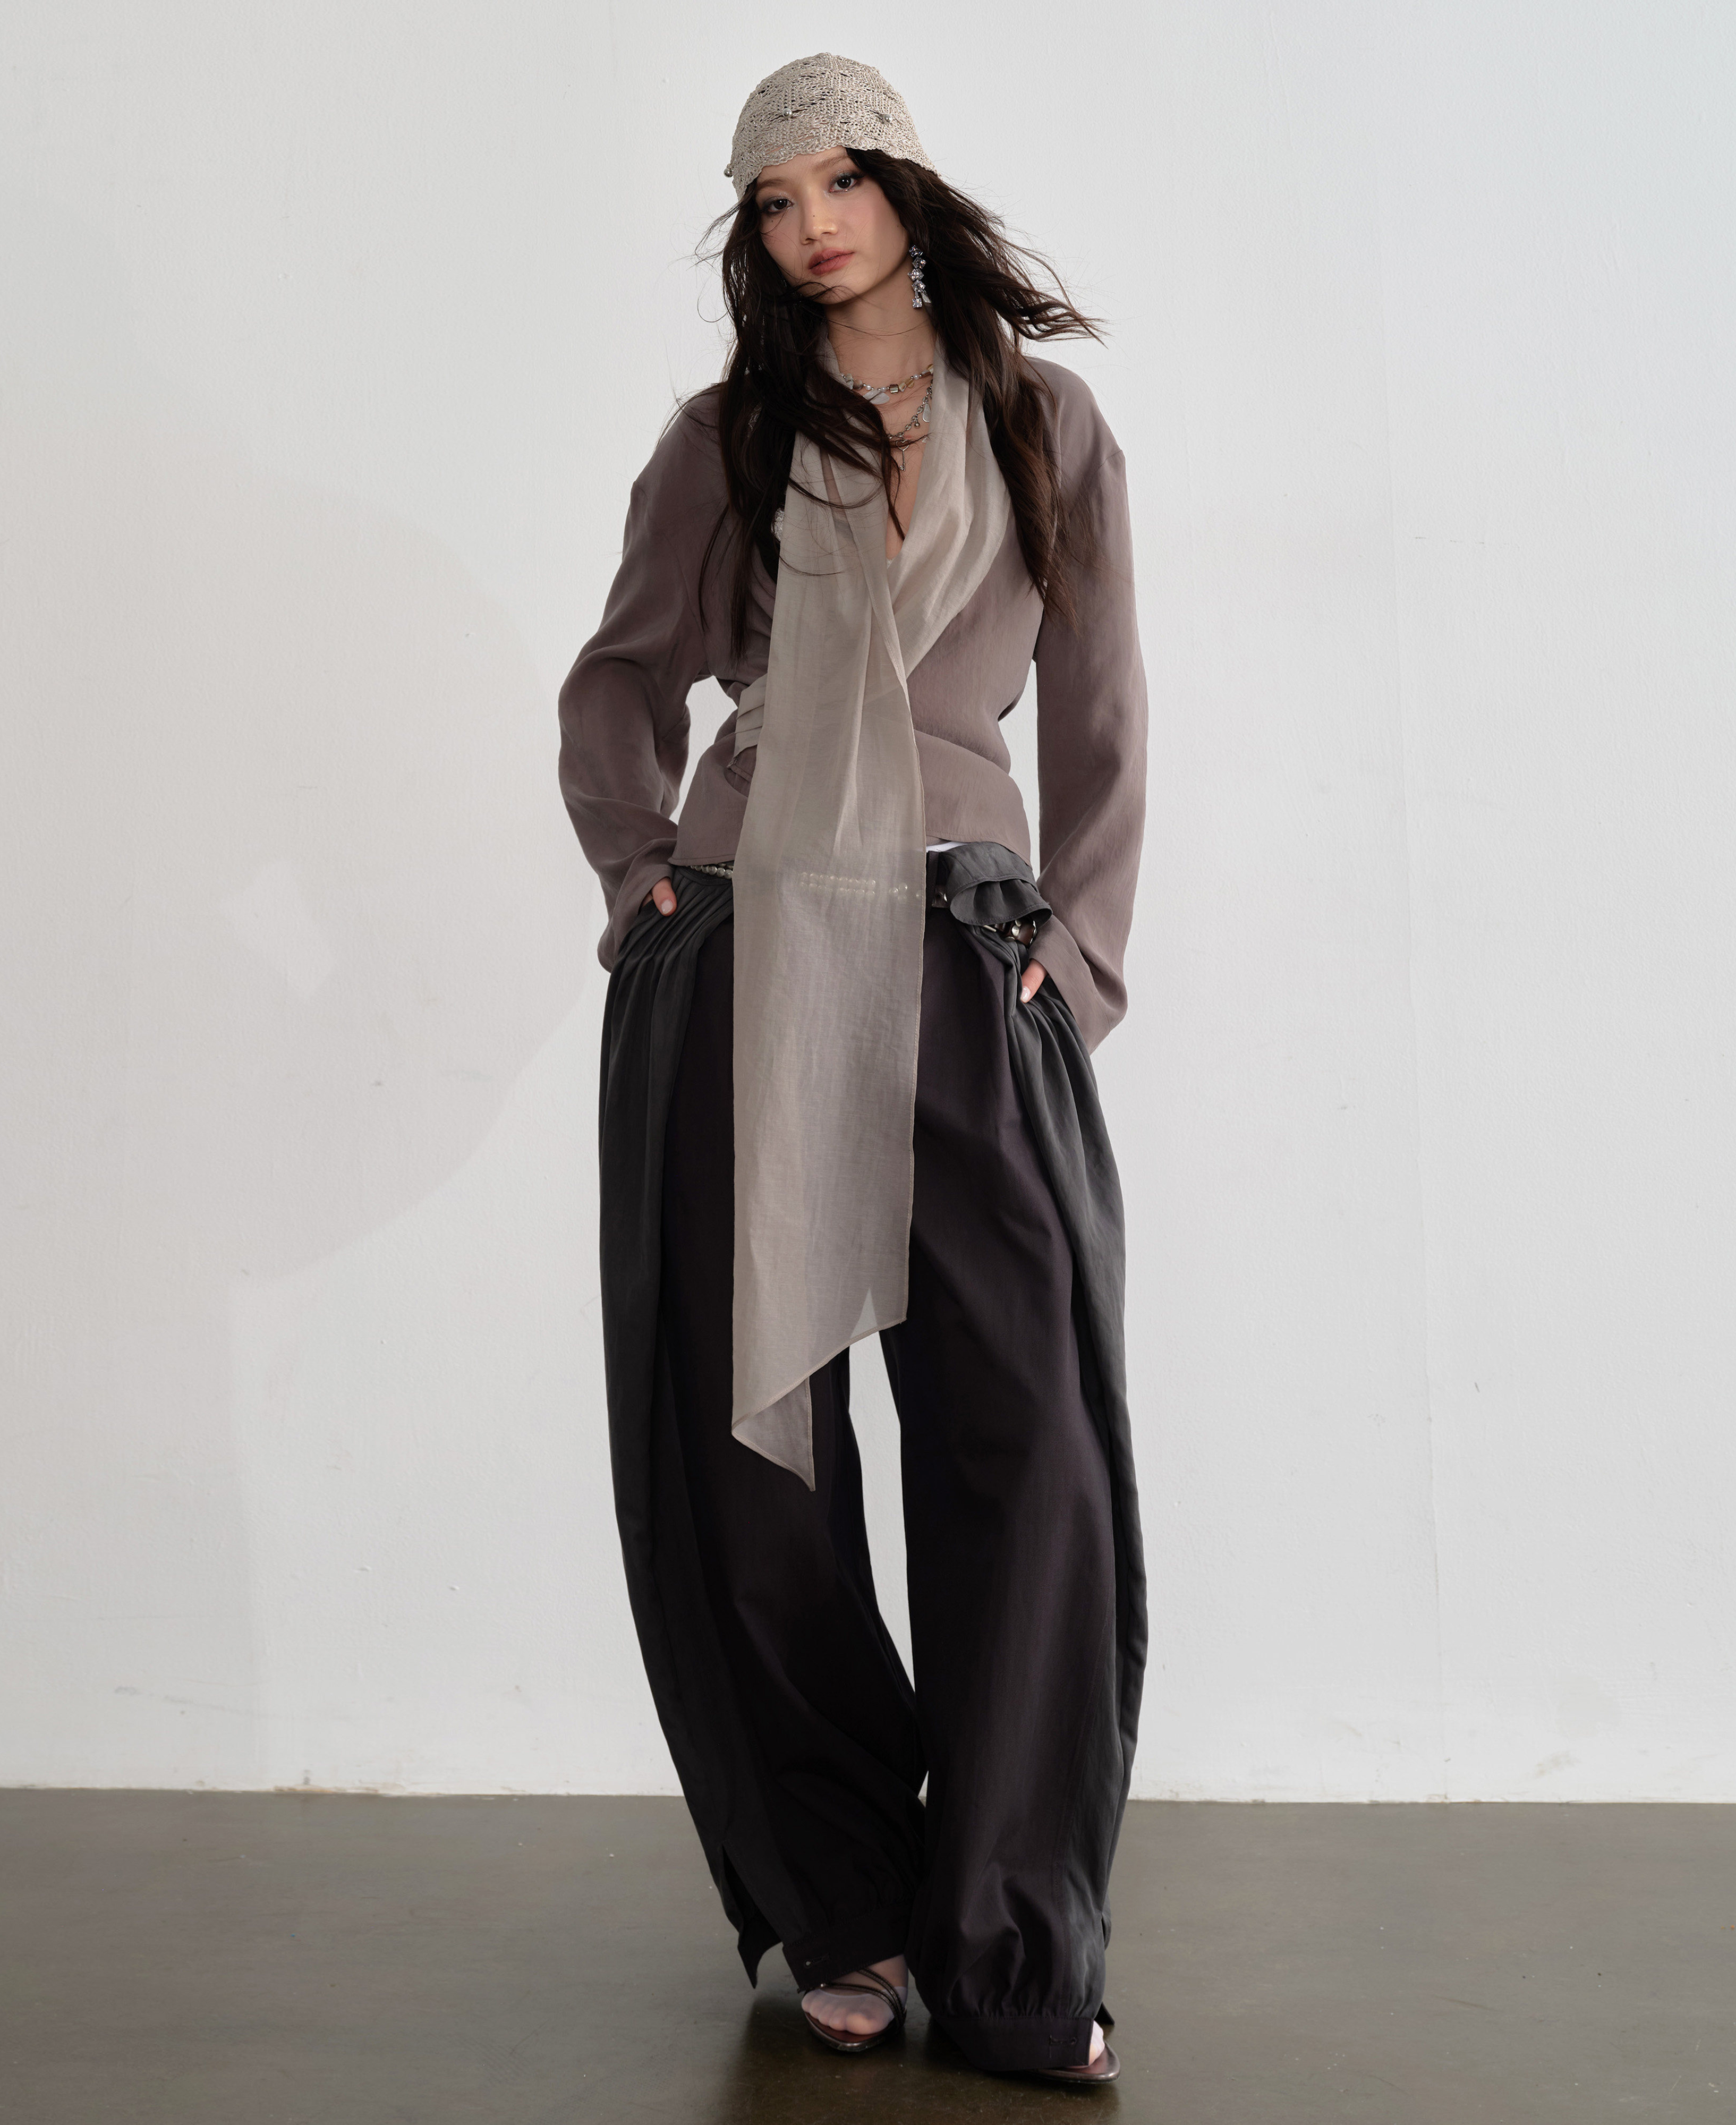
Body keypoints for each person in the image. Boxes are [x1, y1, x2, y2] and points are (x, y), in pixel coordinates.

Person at [557, 52, 1148, 2084]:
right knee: (763, 1460)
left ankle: (1012, 1941)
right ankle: (847, 1902)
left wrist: (1083, 949)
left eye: (840, 181)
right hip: (748, 938)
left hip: (965, 945)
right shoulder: (725, 438)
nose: (812, 225)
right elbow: (622, 678)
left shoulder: (1044, 425)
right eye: (772, 199)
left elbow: (1105, 707)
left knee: (1027, 1429)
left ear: (906, 183)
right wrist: (642, 874)